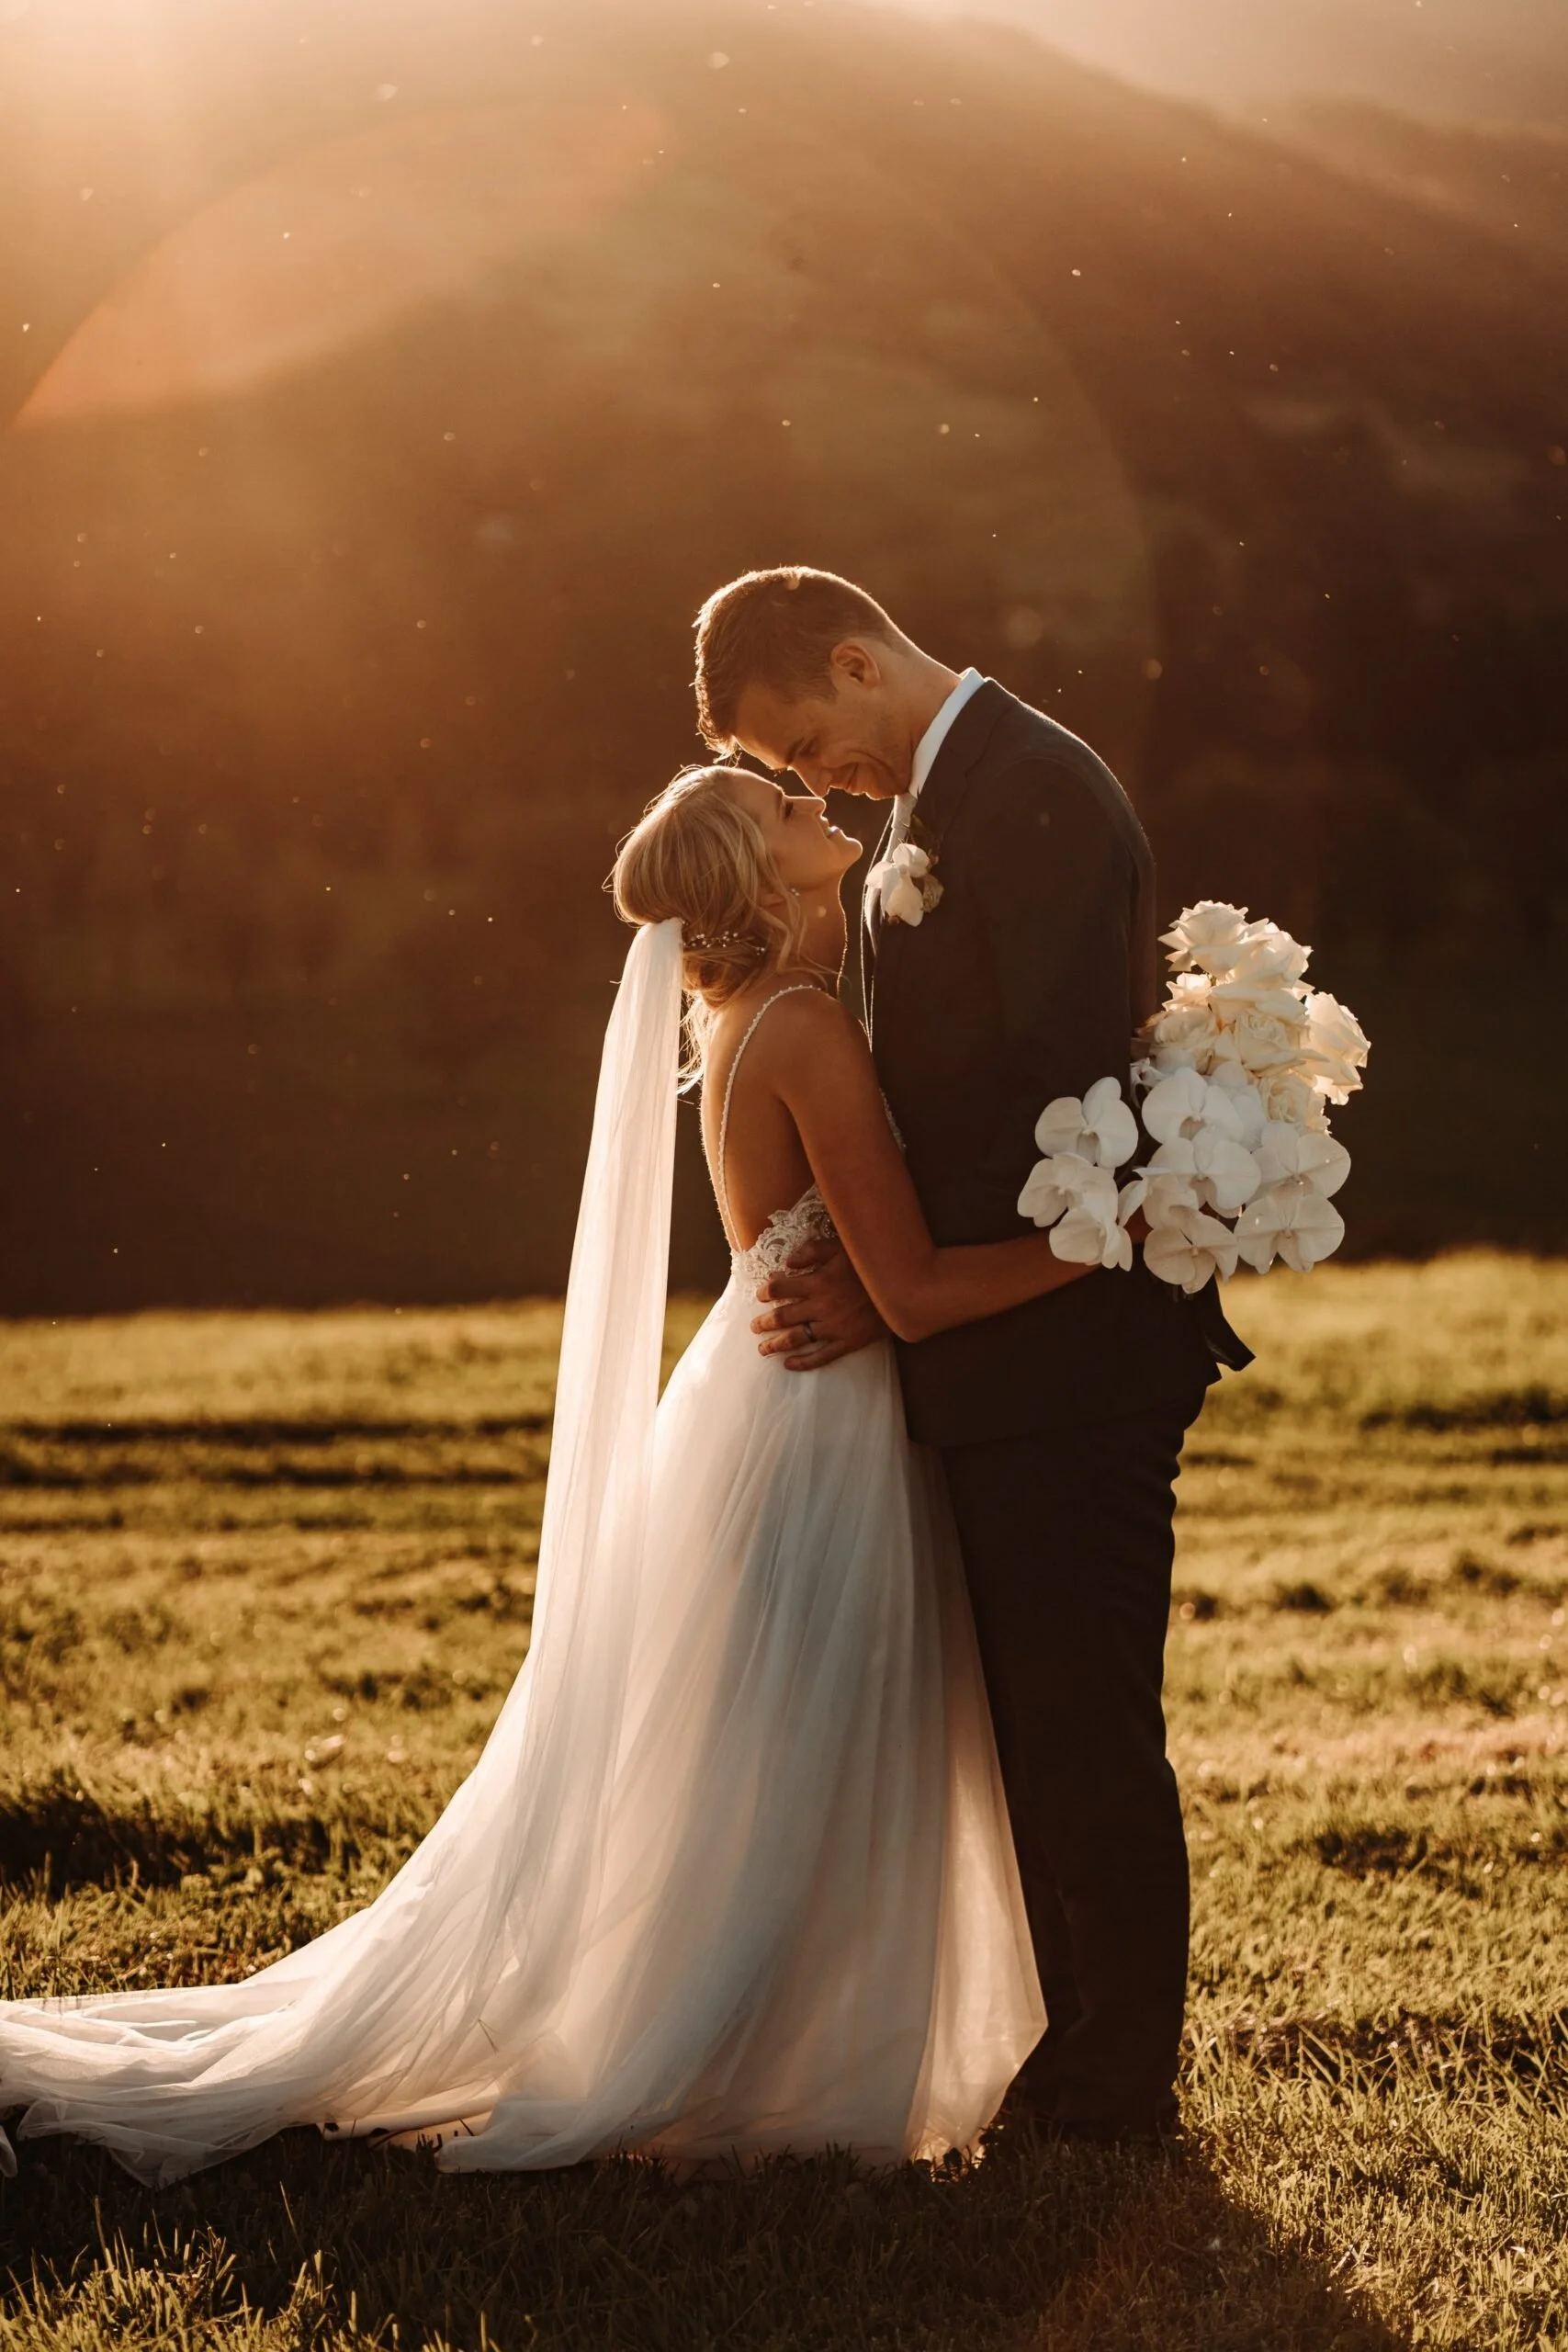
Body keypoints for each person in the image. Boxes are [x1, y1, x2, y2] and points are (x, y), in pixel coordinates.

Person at [0, 758, 1111, 2186]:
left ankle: (778, 2033)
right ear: (759, 878)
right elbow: (904, 1285)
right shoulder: (806, 1029)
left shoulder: (747, 1018)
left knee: (770, 1734)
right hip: (820, 1418)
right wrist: (1117, 1240)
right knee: (804, 1723)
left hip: (767, 1397)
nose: (814, 809)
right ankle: (762, 2054)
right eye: (783, 811)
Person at [694, 566, 1251, 2144]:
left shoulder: (1031, 791)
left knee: (1081, 1724)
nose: (820, 787)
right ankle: (1072, 2058)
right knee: (1034, 1721)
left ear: (858, 662)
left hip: (1070, 1351)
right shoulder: (942, 806)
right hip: (998, 1348)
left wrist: (902, 1283)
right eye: (797, 778)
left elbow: (1053, 1089)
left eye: (811, 747)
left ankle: (1112, 2084)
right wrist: (892, 1271)